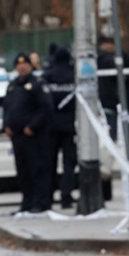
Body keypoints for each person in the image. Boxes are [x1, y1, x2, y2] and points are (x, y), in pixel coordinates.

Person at [3, 52, 53, 214]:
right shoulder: (13, 85)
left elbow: (46, 108)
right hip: (17, 136)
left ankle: (41, 202)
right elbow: (7, 108)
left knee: (37, 170)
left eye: (25, 64)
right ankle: (27, 203)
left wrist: (32, 126)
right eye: (19, 64)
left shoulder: (38, 84)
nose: (22, 67)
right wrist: (6, 125)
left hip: (34, 136)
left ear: (31, 66)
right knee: (23, 171)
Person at [41, 46, 78, 209]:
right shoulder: (74, 75)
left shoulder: (47, 76)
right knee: (69, 164)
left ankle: (48, 197)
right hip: (70, 126)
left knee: (50, 163)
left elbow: (41, 101)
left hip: (50, 126)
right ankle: (66, 196)